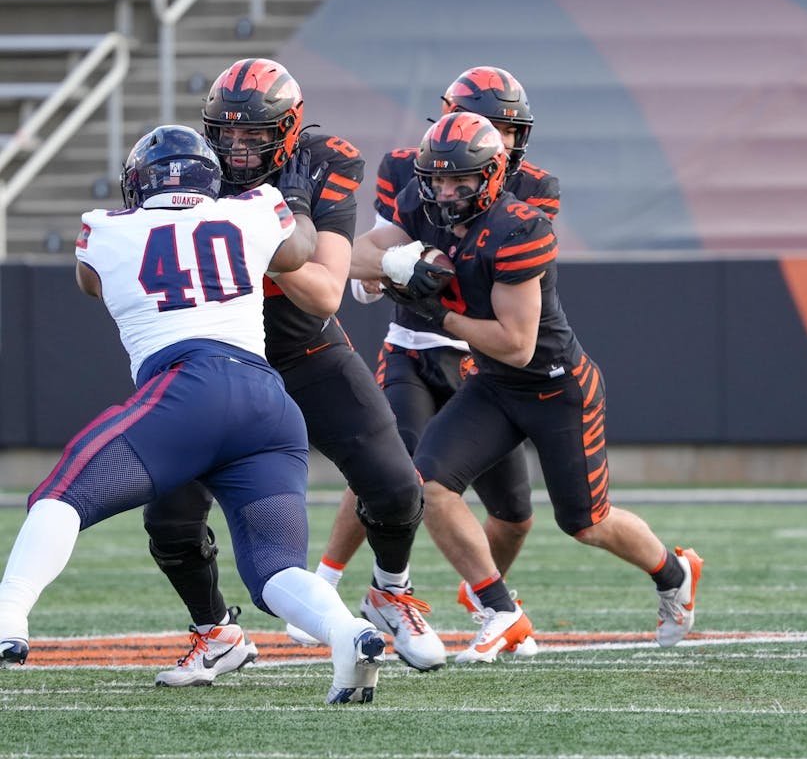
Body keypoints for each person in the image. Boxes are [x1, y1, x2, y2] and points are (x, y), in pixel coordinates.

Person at [0, 125, 385, 704]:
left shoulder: (104, 229)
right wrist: (298, 203)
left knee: (63, 492)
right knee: (276, 569)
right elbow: (301, 249)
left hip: (189, 387)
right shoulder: (255, 210)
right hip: (269, 405)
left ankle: (8, 616)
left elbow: (91, 282)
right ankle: (346, 633)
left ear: (137, 184)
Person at [350, 111, 704, 662]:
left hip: (555, 386)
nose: (445, 191)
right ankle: (500, 610)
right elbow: (355, 254)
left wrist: (436, 313)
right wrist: (396, 261)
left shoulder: (520, 227)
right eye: (436, 179)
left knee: (587, 524)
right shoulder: (426, 210)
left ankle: (674, 570)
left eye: (459, 179)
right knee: (430, 486)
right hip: (492, 385)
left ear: (491, 175)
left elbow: (516, 343)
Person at [140, 59, 445, 686]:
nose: (238, 148)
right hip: (213, 353)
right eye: (226, 134)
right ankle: (214, 632)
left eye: (255, 134)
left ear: (289, 128)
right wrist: (277, 228)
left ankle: (390, 590)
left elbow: (325, 292)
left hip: (306, 349)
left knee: (395, 487)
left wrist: (276, 224)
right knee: (169, 518)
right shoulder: (191, 165)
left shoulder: (326, 159)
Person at [286, 67, 559, 657]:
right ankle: (352, 586)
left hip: (484, 362)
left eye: (508, 129)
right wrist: (390, 267)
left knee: (513, 513)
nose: (500, 141)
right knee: (395, 468)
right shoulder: (412, 171)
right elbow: (376, 249)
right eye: (490, 126)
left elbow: (497, 271)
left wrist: (419, 267)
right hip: (412, 346)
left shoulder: (537, 189)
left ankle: (482, 591)